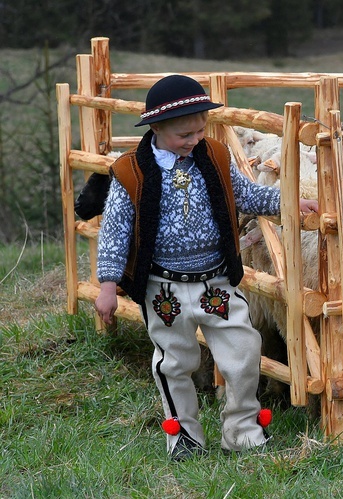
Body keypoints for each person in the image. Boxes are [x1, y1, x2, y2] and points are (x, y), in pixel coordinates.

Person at [94, 74, 318, 461]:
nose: (194, 139)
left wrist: (289, 202)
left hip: (214, 280)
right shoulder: (131, 172)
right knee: (175, 361)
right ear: (157, 128)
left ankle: (243, 430)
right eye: (185, 134)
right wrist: (108, 284)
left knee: (244, 349)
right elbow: (115, 230)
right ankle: (183, 436)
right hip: (164, 287)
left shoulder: (213, 155)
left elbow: (245, 195)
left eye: (200, 130)